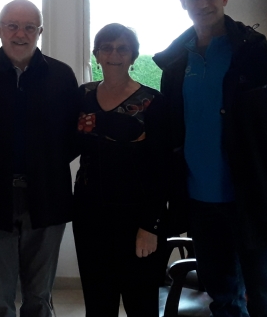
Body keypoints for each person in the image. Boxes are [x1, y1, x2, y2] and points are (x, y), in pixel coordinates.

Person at [153, 0, 267, 317]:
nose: (203, 4)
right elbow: (171, 137)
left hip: (257, 203)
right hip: (202, 206)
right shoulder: (176, 64)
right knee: (224, 301)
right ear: (183, 4)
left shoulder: (259, 55)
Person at [0, 0, 79, 317]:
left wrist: (44, 164)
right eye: (12, 26)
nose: (20, 34)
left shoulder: (61, 76)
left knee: (39, 297)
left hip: (47, 196)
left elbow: (73, 137)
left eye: (29, 27)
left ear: (39, 32)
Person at [73, 23, 169, 317]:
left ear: (133, 56)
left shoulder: (153, 102)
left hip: (137, 218)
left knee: (141, 305)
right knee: (98, 305)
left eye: (122, 49)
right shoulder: (83, 96)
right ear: (96, 54)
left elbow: (163, 169)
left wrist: (150, 226)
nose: (114, 55)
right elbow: (66, 143)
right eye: (107, 48)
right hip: (89, 215)